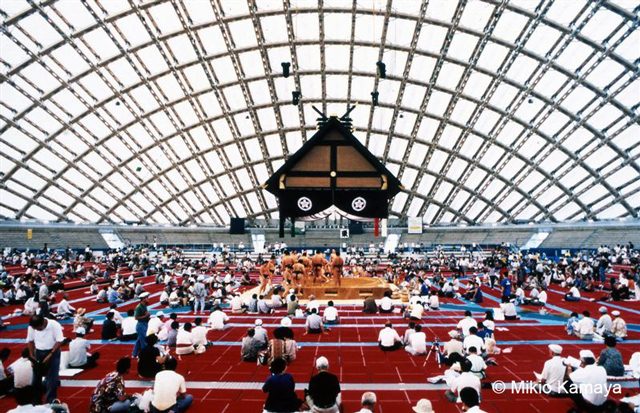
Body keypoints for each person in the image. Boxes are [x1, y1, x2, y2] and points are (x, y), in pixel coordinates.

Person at [27, 314, 64, 403]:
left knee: (52, 379)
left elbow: (59, 341)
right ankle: (35, 400)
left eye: (38, 329)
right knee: (36, 378)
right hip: (38, 352)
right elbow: (30, 340)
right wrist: (32, 355)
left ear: (43, 323)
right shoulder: (32, 327)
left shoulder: (54, 325)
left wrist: (50, 355)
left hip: (53, 352)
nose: (36, 330)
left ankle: (50, 400)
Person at [133, 292, 151, 357]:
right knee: (144, 341)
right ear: (143, 299)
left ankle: (134, 354)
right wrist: (146, 316)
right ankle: (145, 355)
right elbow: (136, 317)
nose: (148, 299)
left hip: (145, 324)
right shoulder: (139, 307)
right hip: (141, 325)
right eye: (146, 297)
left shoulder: (144, 306)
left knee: (139, 340)